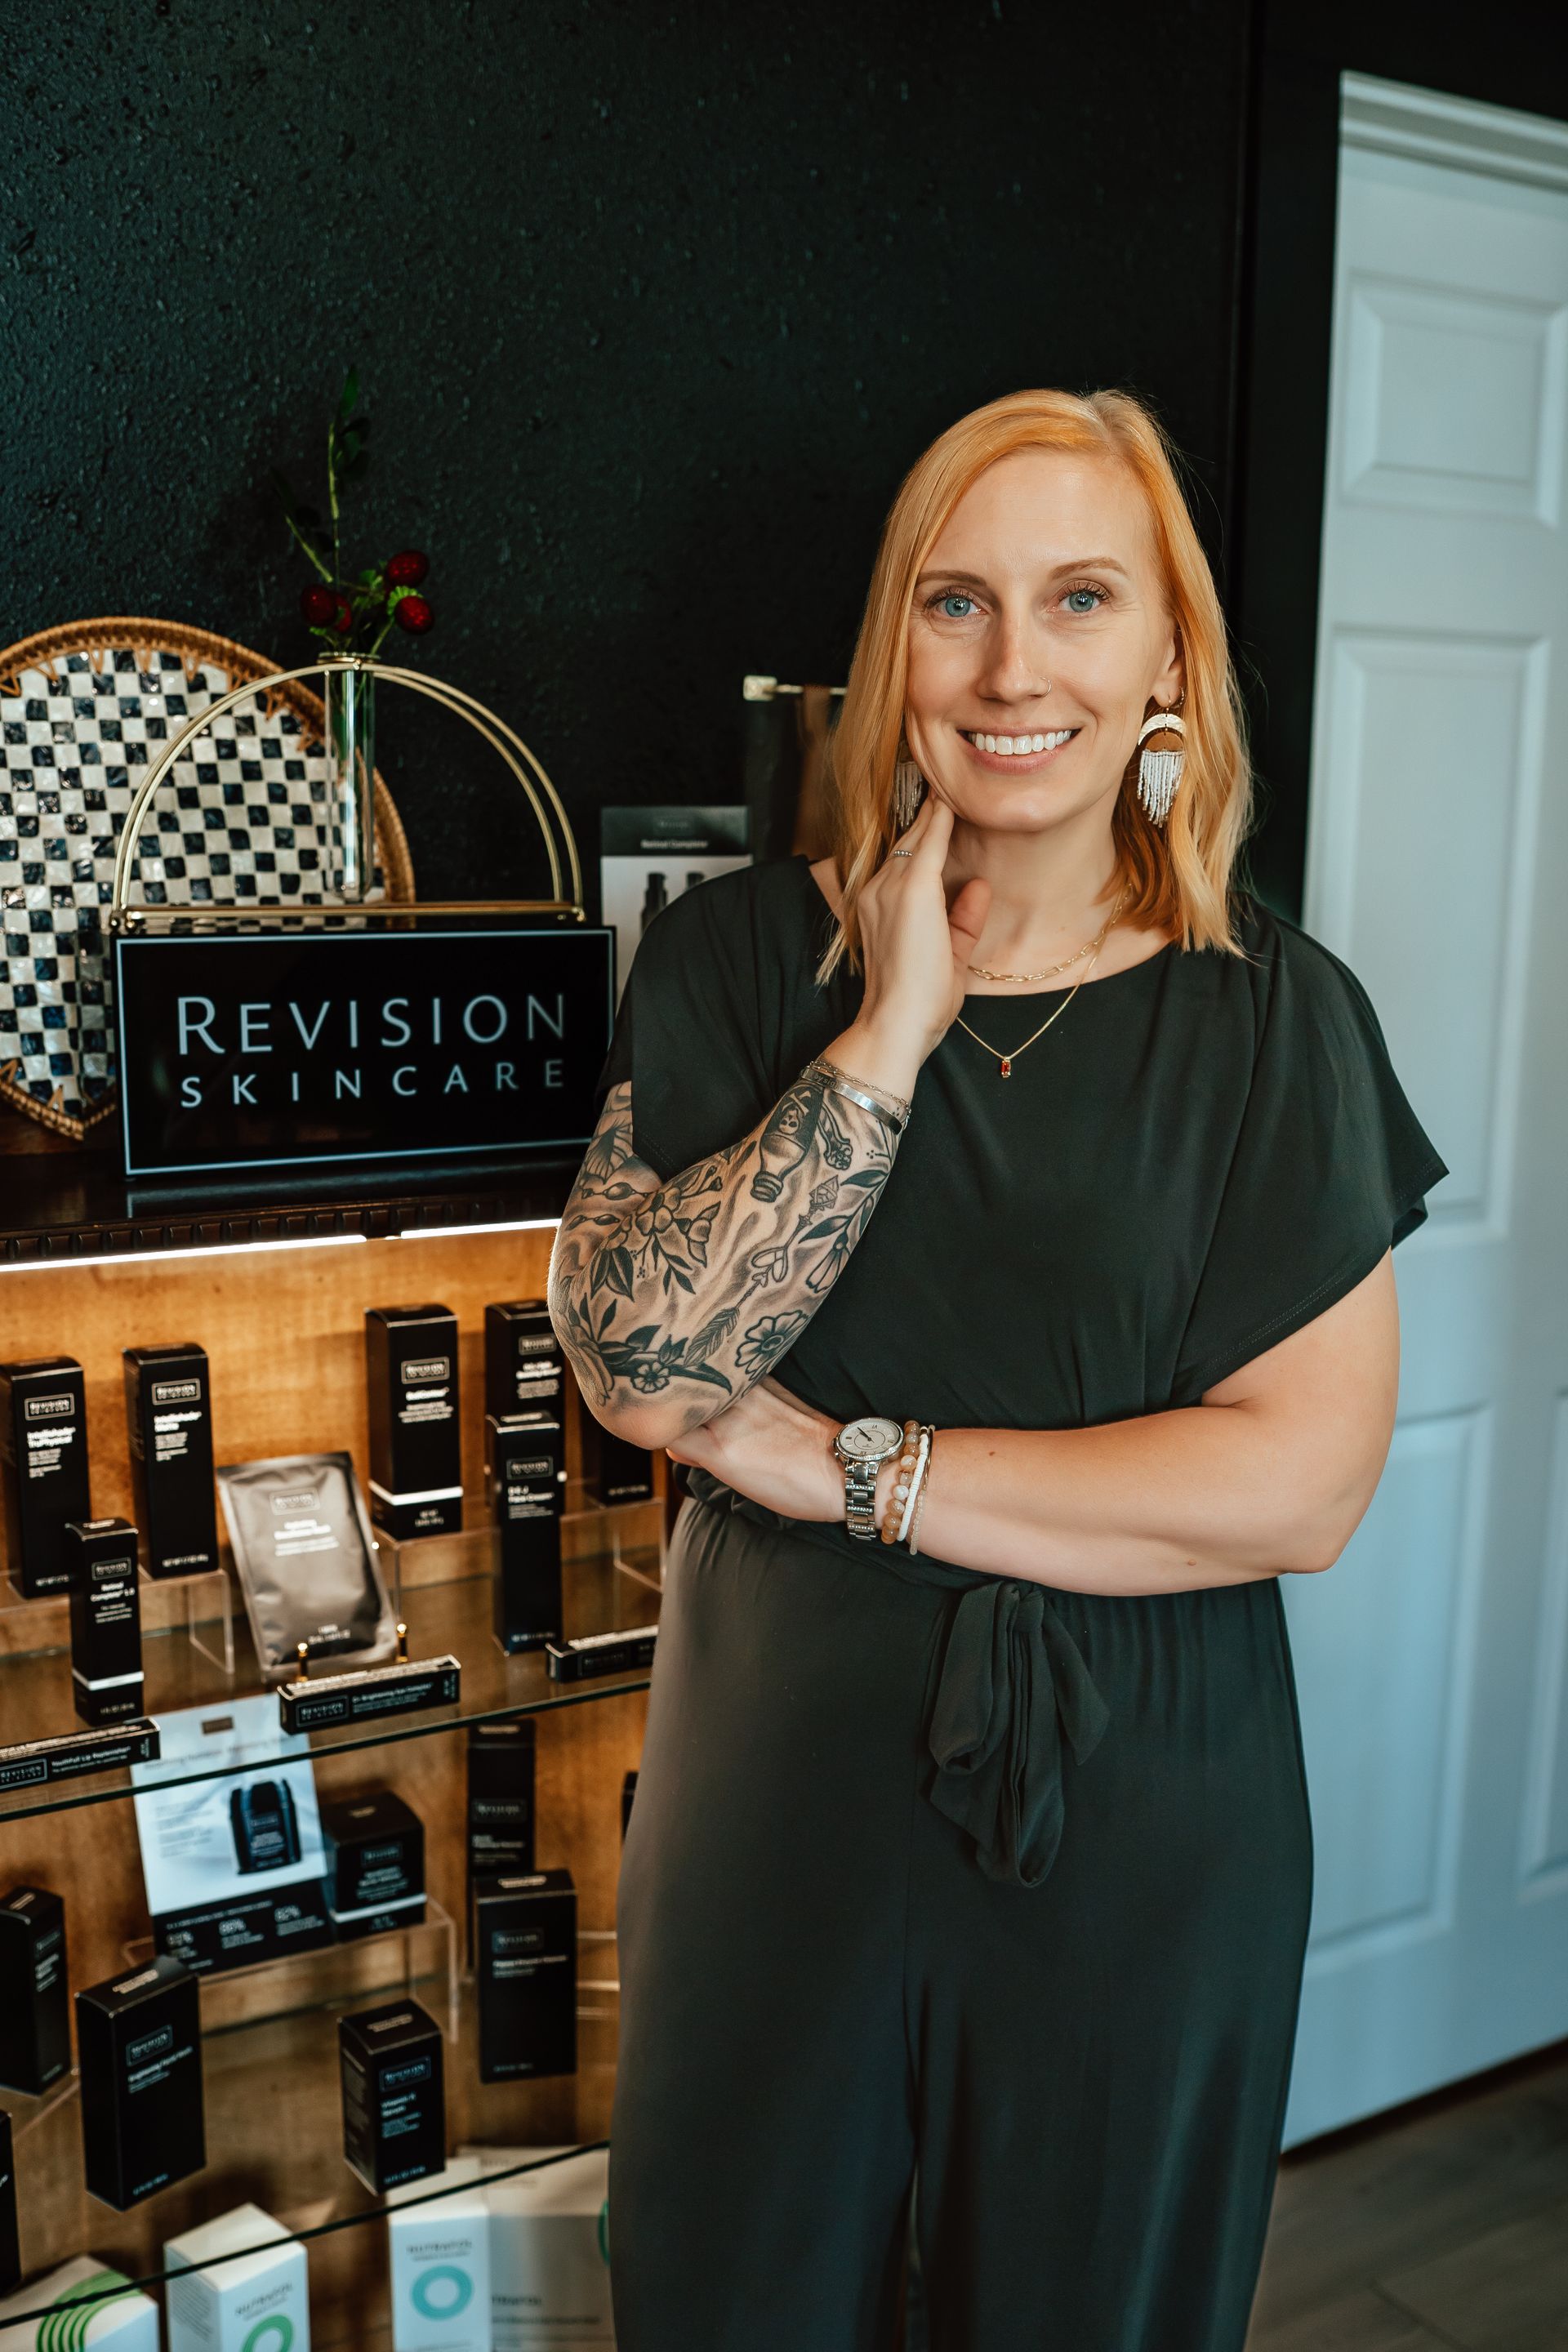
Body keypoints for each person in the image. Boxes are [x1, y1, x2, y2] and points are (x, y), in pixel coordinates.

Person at [547, 387, 1448, 2352]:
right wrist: (890, 1030)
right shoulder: (735, 960)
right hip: (776, 1802)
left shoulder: (1275, 1024)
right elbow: (633, 1365)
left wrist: (853, 1469)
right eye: (956, 603)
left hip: (1145, 1829)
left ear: (1167, 665)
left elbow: (1294, 1483)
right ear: (897, 650)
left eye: (1080, 599)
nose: (1014, 663)